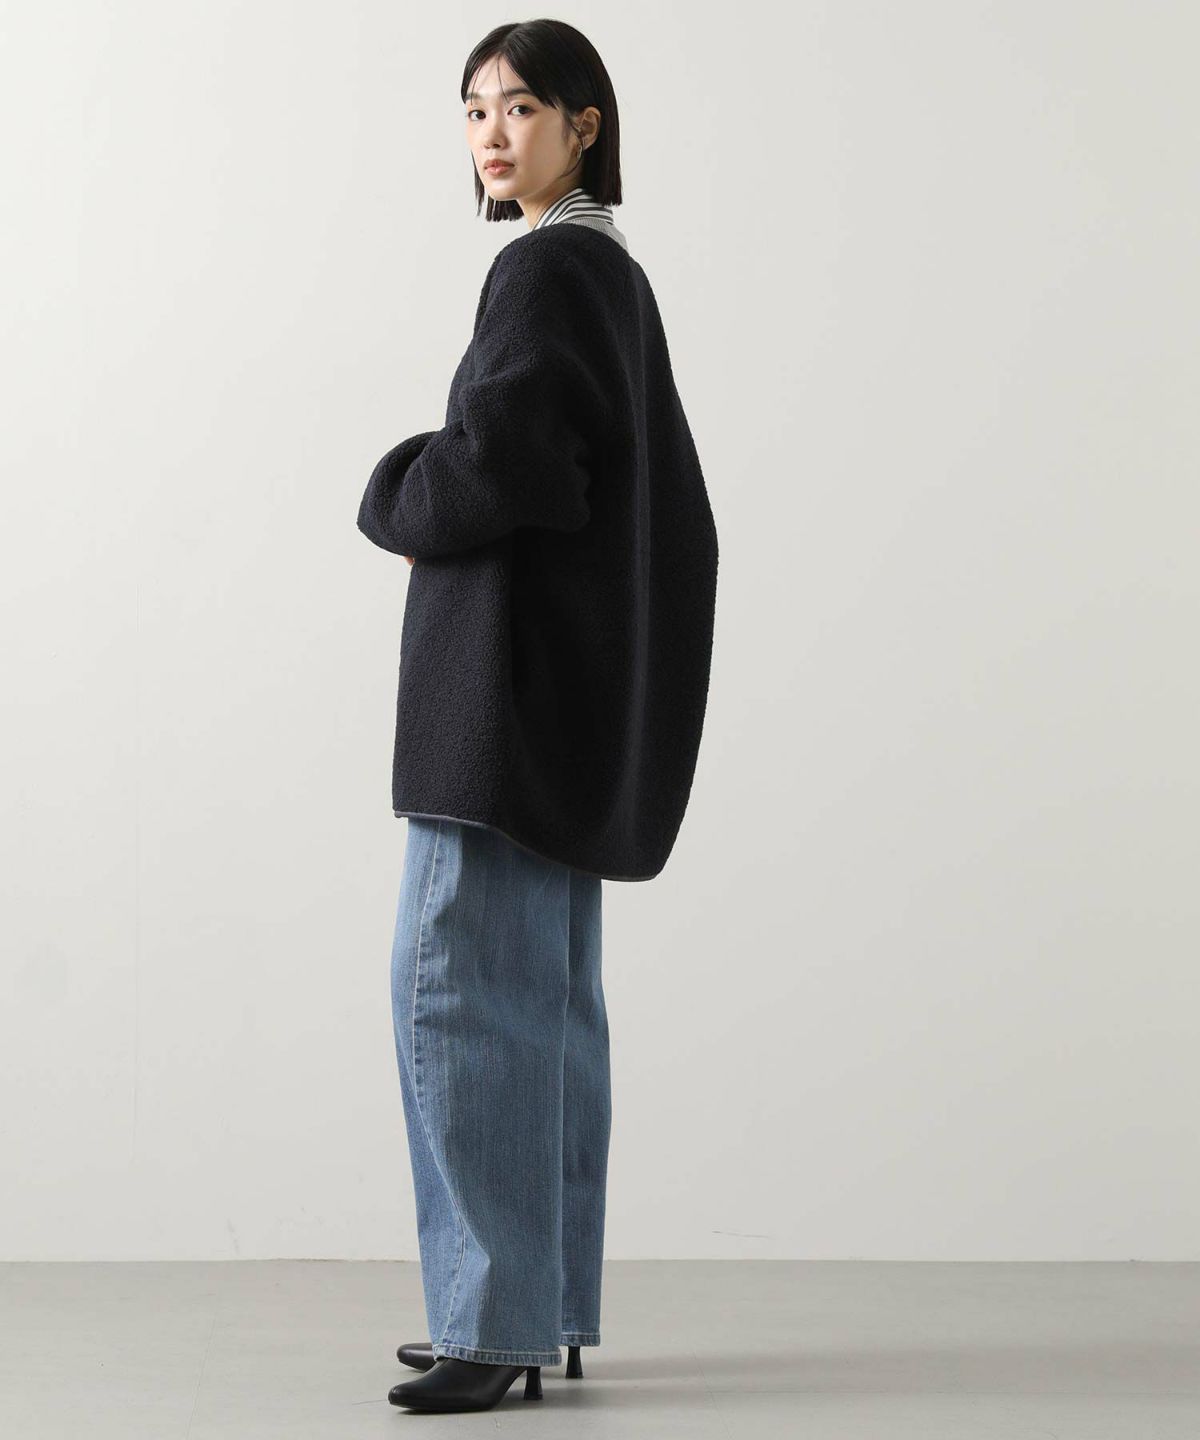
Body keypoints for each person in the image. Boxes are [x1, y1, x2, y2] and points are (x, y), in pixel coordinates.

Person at [357, 19, 718, 1415]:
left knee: (455, 993)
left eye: (520, 107)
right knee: (546, 1012)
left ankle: (492, 1320)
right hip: (558, 708)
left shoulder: (545, 268)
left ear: (584, 123)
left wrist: (395, 487)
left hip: (499, 712)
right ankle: (536, 1307)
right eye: (474, 111)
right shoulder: (610, 274)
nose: (493, 134)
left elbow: (502, 466)